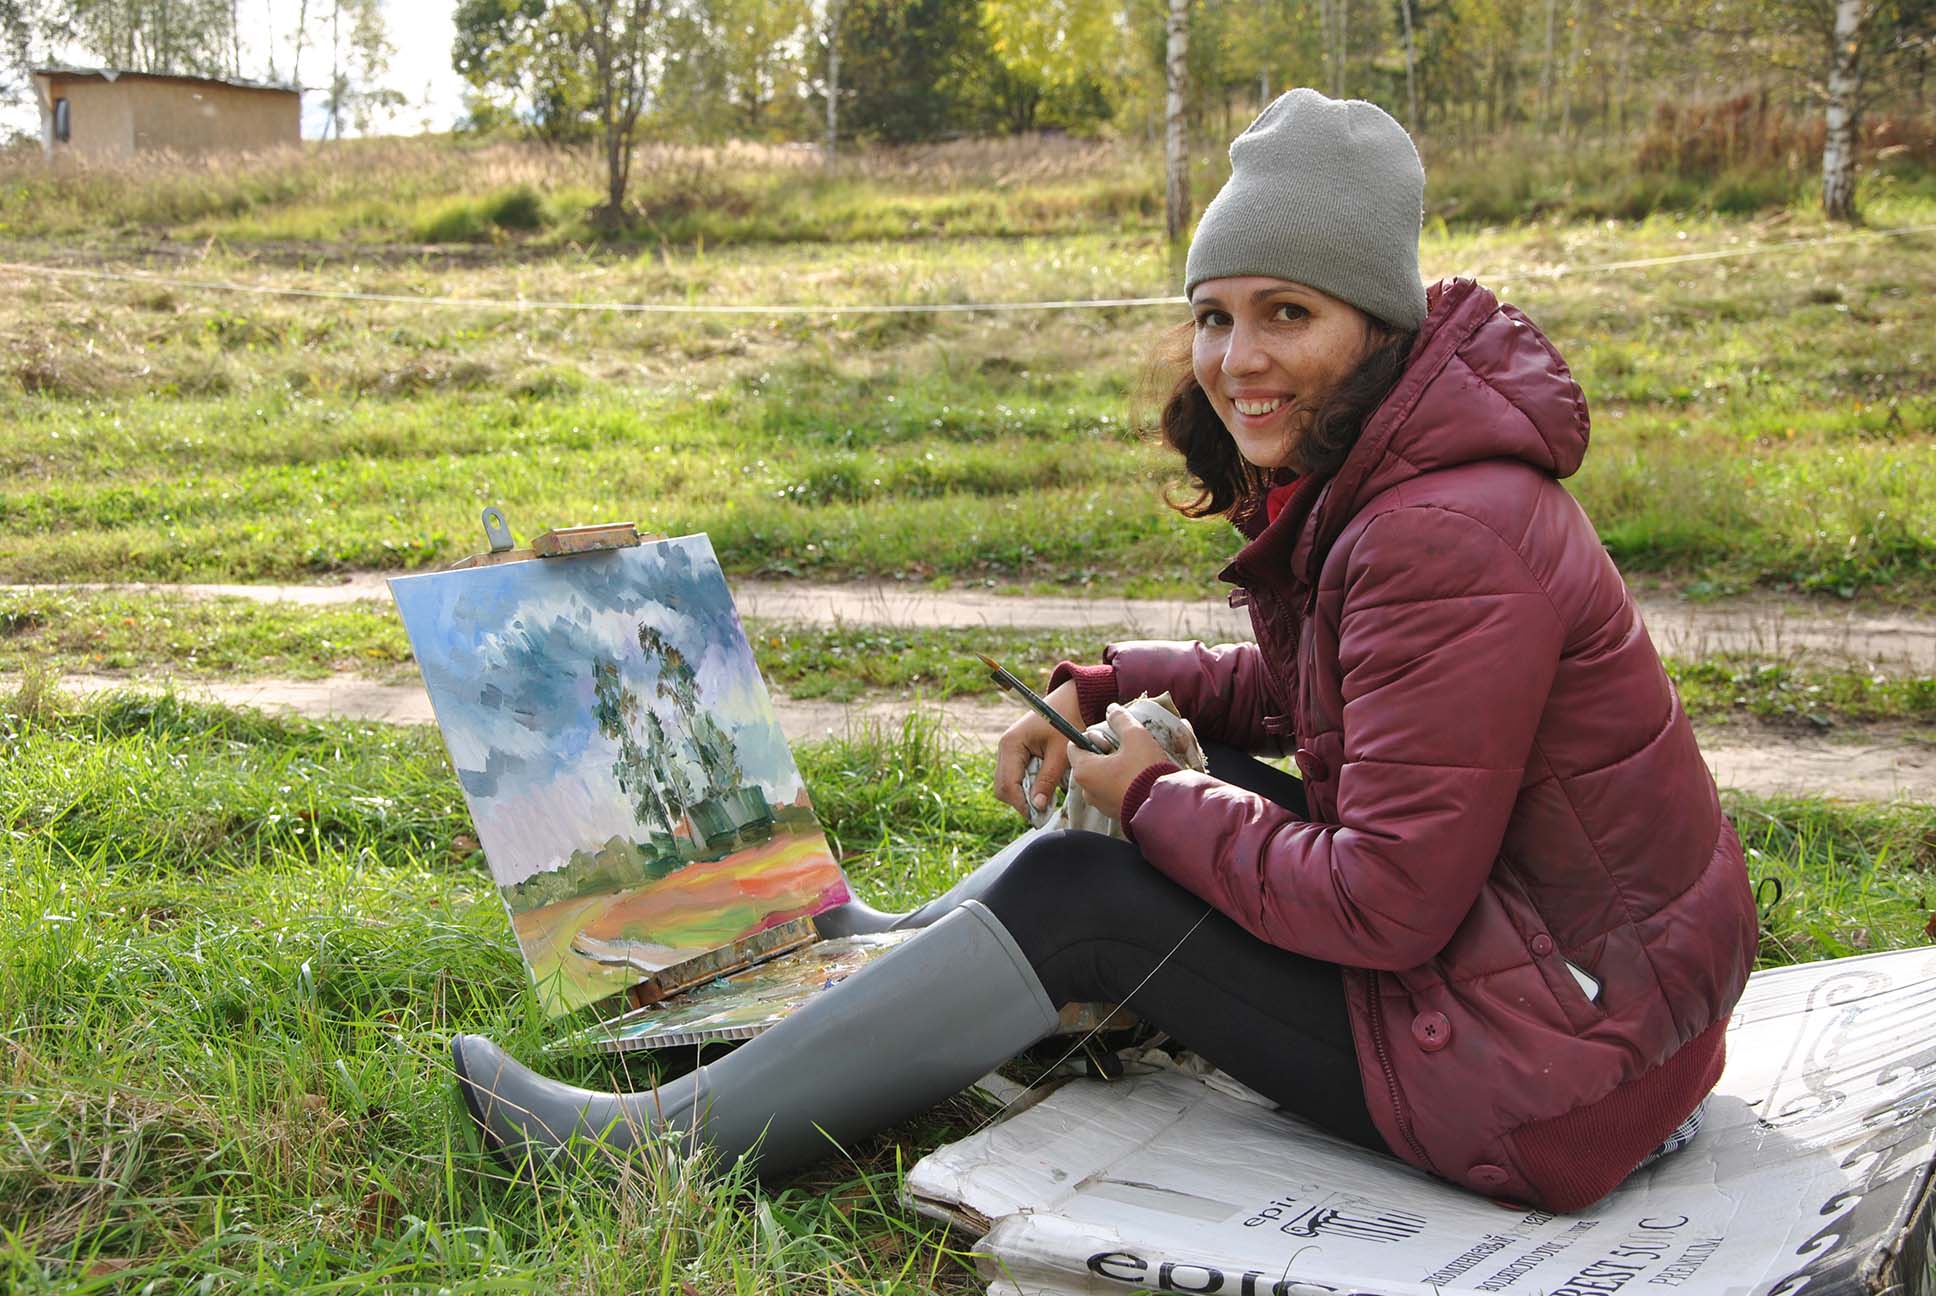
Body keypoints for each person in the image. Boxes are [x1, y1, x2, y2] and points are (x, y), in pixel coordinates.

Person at [450, 88, 1757, 1214]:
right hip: (1592, 1021)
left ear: (1377, 326)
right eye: (1214, 315)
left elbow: (1388, 902)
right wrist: (1121, 684)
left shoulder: (1436, 532)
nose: (1235, 360)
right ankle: (856, 975)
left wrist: (1148, 791)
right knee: (1132, 829)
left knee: (1088, 895)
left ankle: (645, 1159)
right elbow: (1345, 697)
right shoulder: (1419, 484)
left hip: (1550, 1081)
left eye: (1286, 313)